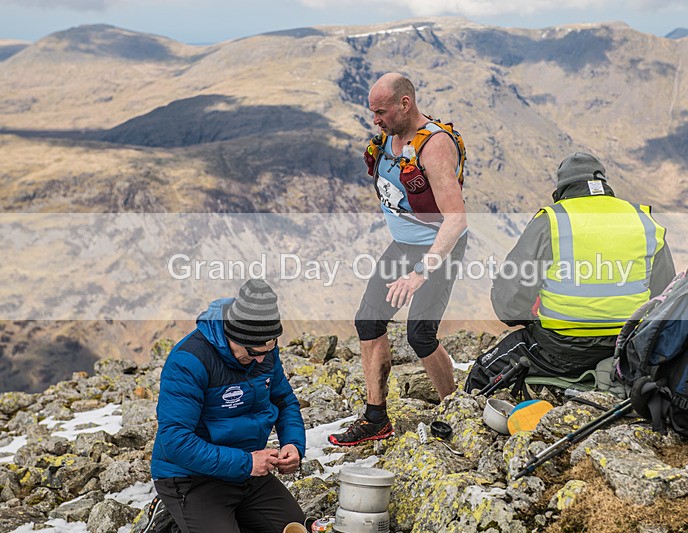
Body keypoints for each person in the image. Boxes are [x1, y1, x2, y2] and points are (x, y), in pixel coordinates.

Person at [329, 73, 468, 446]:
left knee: (420, 334)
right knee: (368, 321)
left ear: (405, 104)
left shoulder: (434, 147)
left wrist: (423, 271)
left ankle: (454, 409)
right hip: (404, 246)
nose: (375, 120)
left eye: (381, 111)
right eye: (373, 112)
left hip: (439, 248)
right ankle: (376, 419)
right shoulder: (389, 139)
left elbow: (456, 218)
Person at [491, 152, 676, 377]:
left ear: (561, 190)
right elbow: (666, 294)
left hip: (561, 350)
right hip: (628, 348)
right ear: (603, 183)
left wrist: (528, 321)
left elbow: (509, 302)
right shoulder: (643, 219)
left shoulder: (552, 219)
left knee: (482, 373)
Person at [149, 279, 307, 533]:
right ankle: (173, 517)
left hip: (247, 471)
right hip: (191, 478)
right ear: (233, 336)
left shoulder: (263, 349)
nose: (261, 359)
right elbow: (175, 441)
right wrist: (246, 462)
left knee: (295, 528)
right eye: (254, 351)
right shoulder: (189, 361)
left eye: (269, 349)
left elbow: (284, 400)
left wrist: (293, 444)